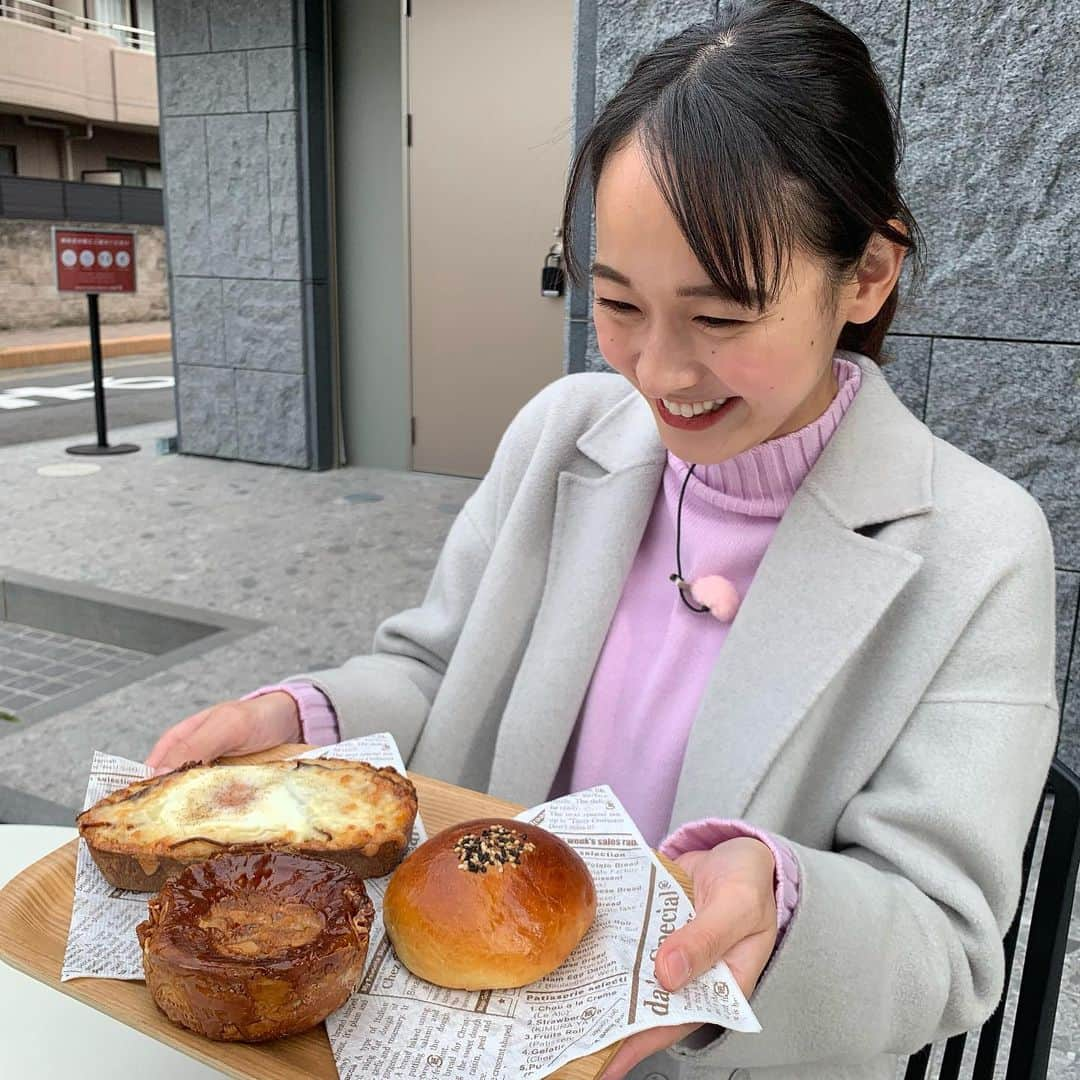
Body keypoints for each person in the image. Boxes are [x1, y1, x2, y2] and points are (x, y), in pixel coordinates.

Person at [145, 2, 1058, 1077]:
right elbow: (435, 672)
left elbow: (945, 939)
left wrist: (785, 906)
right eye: (617, 303)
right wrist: (304, 717)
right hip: (455, 1036)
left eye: (720, 320)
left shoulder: (979, 548)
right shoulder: (562, 436)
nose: (661, 375)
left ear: (865, 272)